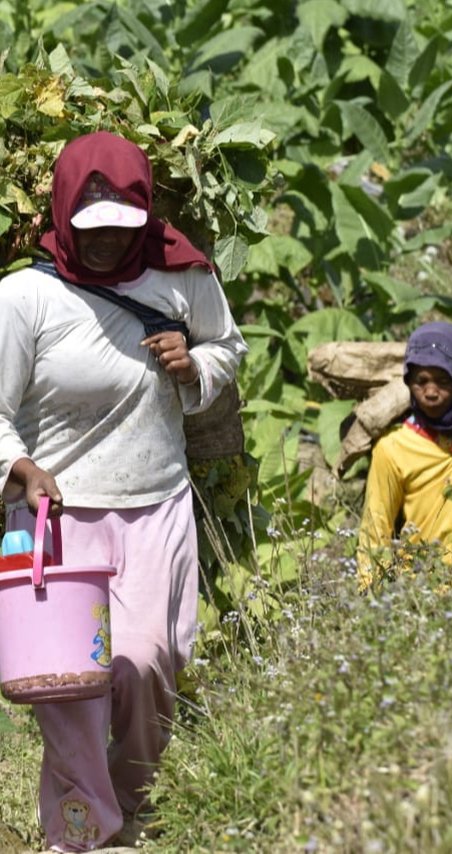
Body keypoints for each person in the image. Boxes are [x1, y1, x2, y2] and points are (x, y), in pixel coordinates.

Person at [0, 130, 247, 852]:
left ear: (146, 219)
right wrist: (17, 468)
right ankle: (81, 833)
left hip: (155, 505)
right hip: (56, 519)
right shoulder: (23, 298)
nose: (106, 244)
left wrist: (192, 364)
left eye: (122, 229)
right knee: (71, 688)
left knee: (146, 663)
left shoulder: (183, 278)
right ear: (63, 214)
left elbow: (227, 350)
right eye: (90, 229)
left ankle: (131, 795)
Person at [357, 321, 452, 592]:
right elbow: (375, 532)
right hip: (427, 599)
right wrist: (369, 597)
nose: (431, 392)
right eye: (420, 382)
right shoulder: (394, 448)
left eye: (443, 381)